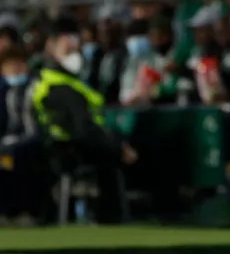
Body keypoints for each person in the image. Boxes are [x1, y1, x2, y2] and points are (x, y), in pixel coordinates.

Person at [28, 17, 138, 224]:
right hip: (69, 149)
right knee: (115, 156)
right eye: (68, 49)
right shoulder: (60, 86)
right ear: (51, 47)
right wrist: (117, 146)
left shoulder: (54, 80)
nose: (75, 54)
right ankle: (115, 217)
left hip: (59, 146)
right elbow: (83, 128)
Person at [0, 47, 46, 224]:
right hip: (8, 141)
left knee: (16, 157)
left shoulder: (36, 87)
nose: (16, 69)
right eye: (11, 66)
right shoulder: (4, 91)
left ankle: (25, 210)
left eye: (19, 64)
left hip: (32, 139)